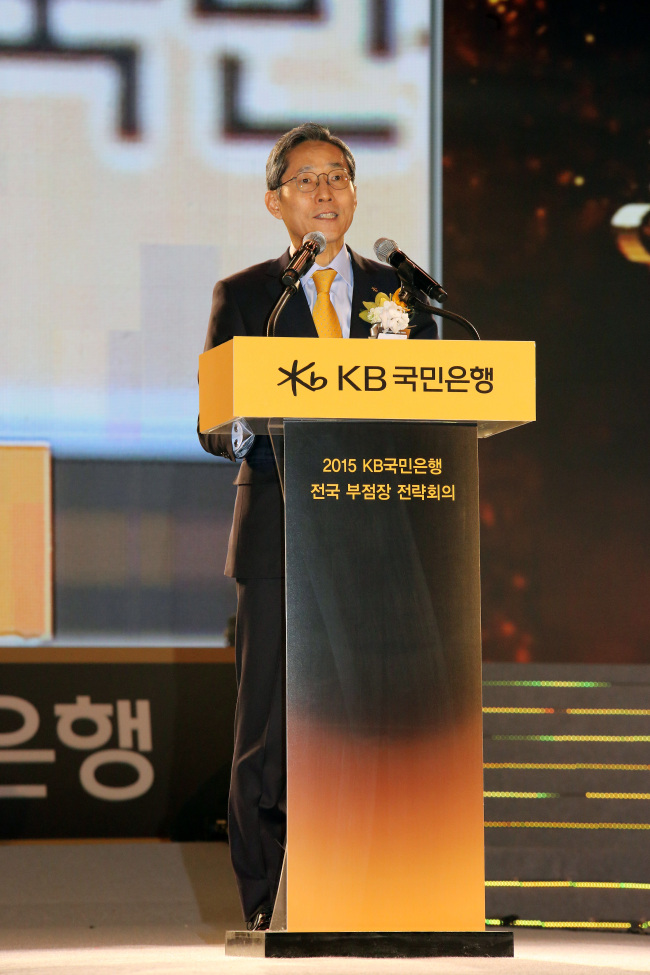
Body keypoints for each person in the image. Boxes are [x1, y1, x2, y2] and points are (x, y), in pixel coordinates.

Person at [198, 122, 437, 930]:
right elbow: (213, 424)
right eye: (306, 180)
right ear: (276, 201)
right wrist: (250, 414)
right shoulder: (245, 296)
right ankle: (268, 904)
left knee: (379, 717)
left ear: (356, 193)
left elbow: (434, 411)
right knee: (268, 729)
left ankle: (385, 887)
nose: (326, 191)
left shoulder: (401, 297)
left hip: (381, 529)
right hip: (278, 533)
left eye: (339, 175)